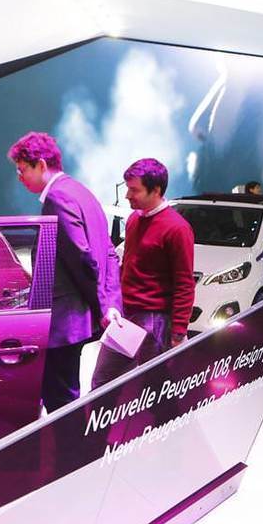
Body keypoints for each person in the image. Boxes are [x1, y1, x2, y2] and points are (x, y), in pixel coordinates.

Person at [8, 132, 122, 412]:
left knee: (60, 400)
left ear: (41, 165)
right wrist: (110, 302)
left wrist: (102, 307)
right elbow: (107, 251)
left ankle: (72, 441)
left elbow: (81, 258)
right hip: (76, 318)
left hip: (65, 322)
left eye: (22, 170)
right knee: (64, 393)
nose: (20, 178)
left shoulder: (57, 197)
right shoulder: (81, 191)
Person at [92, 158, 195, 389]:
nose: (127, 195)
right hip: (127, 317)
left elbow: (184, 283)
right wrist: (115, 304)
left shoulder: (177, 228)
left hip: (155, 321)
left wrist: (178, 332)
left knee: (155, 387)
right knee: (102, 382)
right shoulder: (134, 219)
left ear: (156, 190)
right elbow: (127, 267)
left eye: (134, 190)